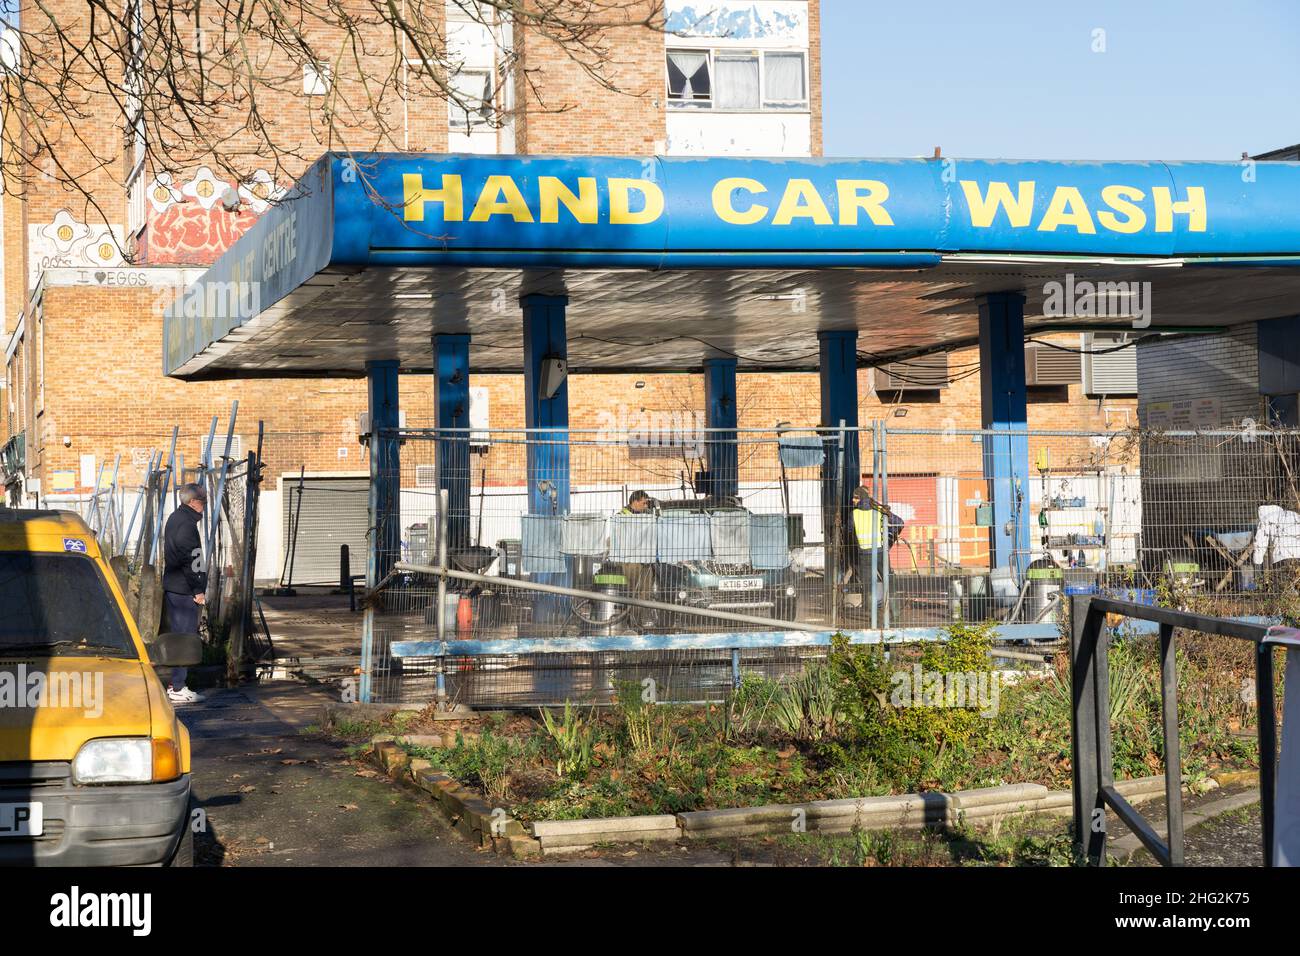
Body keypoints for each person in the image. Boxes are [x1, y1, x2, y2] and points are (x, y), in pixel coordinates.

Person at [162, 482, 208, 704]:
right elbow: (190, 560)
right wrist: (198, 589)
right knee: (185, 637)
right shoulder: (187, 525)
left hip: (175, 586)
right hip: (184, 589)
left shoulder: (175, 518)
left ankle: (176, 684)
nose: (205, 506)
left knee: (181, 635)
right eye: (203, 502)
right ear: (193, 502)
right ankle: (178, 686)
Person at [619, 490, 657, 630]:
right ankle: (629, 621)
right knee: (632, 591)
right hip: (631, 560)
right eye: (644, 502)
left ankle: (637, 621)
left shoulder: (647, 516)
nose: (646, 505)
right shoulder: (622, 516)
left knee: (645, 593)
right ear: (635, 501)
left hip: (646, 559)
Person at [851, 485, 889, 614]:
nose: (853, 500)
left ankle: (870, 614)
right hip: (879, 551)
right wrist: (889, 539)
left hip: (864, 553)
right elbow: (896, 521)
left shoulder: (854, 514)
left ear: (861, 498)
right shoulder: (878, 511)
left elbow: (849, 531)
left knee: (867, 584)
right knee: (888, 577)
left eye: (855, 498)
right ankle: (893, 612)